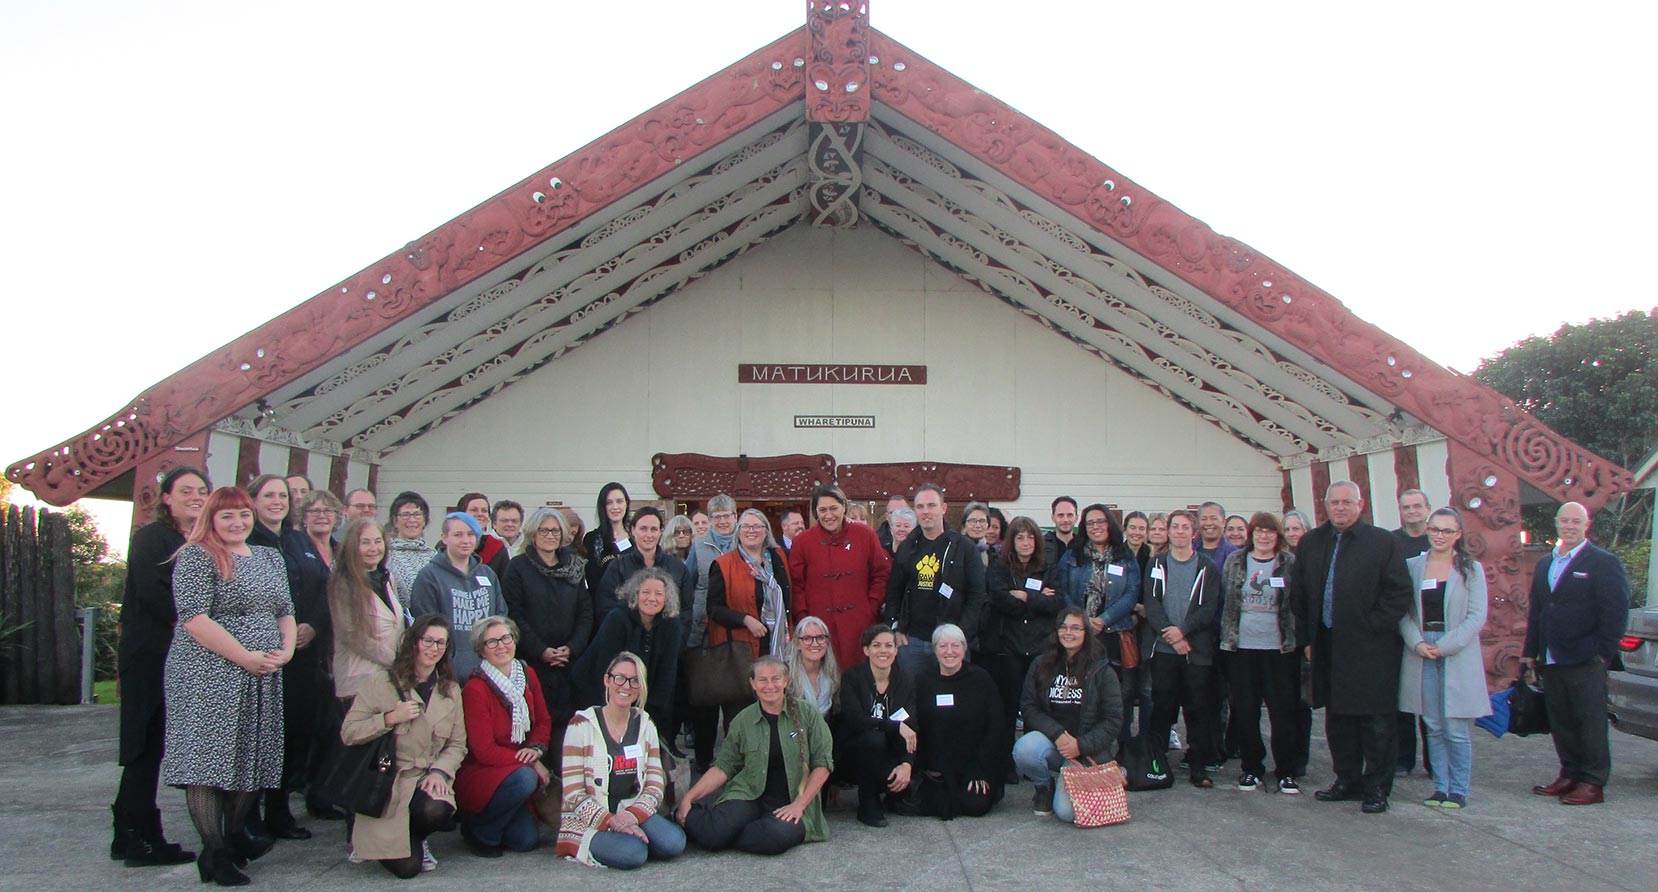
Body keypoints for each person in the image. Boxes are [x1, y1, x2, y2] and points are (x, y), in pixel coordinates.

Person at [161, 486, 295, 887]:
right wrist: (244, 656)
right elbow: (195, 619)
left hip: (261, 672)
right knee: (207, 763)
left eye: (243, 515)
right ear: (211, 520)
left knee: (251, 759)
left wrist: (285, 651)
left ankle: (235, 835)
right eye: (227, 516)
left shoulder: (270, 557)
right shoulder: (196, 556)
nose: (237, 523)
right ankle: (214, 852)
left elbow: (285, 610)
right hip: (208, 674)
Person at [1291, 480, 1412, 814]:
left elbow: (1398, 592)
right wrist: (1307, 639)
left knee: (1375, 722)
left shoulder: (1382, 542)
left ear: (1360, 504)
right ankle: (1347, 780)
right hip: (1327, 644)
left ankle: (1376, 788)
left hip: (1372, 648)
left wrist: (1373, 625)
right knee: (1338, 718)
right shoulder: (1312, 542)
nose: (1340, 508)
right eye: (1334, 502)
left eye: (1347, 502)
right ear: (1325, 505)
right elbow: (1298, 593)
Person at [111, 465, 210, 868]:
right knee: (142, 747)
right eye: (185, 490)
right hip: (150, 657)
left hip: (181, 657)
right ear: (167, 498)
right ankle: (136, 837)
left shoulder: (200, 541)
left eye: (202, 490)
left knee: (156, 748)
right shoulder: (154, 538)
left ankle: (134, 833)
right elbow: (160, 597)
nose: (195, 496)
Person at [340, 615, 466, 878]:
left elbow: (457, 745)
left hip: (423, 777)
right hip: (387, 782)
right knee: (408, 870)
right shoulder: (382, 682)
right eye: (428, 640)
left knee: (438, 809)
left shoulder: (451, 690)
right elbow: (349, 732)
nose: (434, 648)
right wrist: (388, 719)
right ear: (414, 642)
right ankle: (368, 836)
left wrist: (440, 772)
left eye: (441, 643)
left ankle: (416, 836)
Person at [1522, 501, 1630, 806]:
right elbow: (1539, 611)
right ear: (1556, 524)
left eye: (1575, 521)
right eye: (1564, 520)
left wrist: (1603, 653)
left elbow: (1616, 611)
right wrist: (1531, 651)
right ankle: (1569, 773)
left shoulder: (1602, 562)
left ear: (1587, 525)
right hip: (1551, 657)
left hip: (1585, 657)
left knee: (1589, 720)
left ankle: (1592, 782)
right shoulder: (1546, 563)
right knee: (1561, 720)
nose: (1569, 526)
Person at [676, 657, 834, 854]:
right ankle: (699, 823)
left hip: (793, 801)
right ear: (753, 684)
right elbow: (723, 766)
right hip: (749, 795)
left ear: (786, 681)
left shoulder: (808, 714)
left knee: (773, 837)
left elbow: (823, 764)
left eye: (776, 679)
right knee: (713, 835)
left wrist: (798, 805)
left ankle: (721, 831)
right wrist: (688, 798)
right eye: (762, 680)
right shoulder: (743, 720)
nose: (770, 686)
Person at [558, 651, 686, 869]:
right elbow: (572, 792)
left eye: (634, 681)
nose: (626, 686)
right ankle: (620, 841)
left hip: (630, 809)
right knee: (633, 854)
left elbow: (655, 783)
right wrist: (612, 821)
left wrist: (631, 816)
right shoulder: (580, 725)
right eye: (620, 678)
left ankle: (631, 836)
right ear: (607, 680)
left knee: (673, 843)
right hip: (590, 820)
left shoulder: (645, 724)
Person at [1399, 508, 1489, 809]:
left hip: (1456, 649)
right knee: (1433, 724)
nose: (1440, 535)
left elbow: (1477, 616)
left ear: (1458, 535)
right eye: (1435, 529)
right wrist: (1417, 642)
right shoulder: (1413, 566)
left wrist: (1447, 645)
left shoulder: (1470, 570)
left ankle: (1459, 789)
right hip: (1422, 647)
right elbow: (1403, 611)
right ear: (1427, 529)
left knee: (1456, 726)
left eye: (1447, 531)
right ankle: (1440, 786)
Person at [276, 488, 345, 829]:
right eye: (315, 510)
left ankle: (322, 794)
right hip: (301, 648)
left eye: (328, 510)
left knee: (330, 727)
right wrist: (304, 627)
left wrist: (320, 627)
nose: (321, 515)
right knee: (296, 728)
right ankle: (281, 805)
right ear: (303, 516)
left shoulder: (339, 550)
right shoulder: (292, 545)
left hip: (335, 647)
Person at [1013, 608, 1123, 820]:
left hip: (1086, 750)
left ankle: (1068, 781)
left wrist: (1080, 745)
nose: (1068, 633)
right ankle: (1044, 787)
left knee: (1066, 813)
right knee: (1024, 749)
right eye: (1063, 627)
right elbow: (1029, 707)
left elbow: (1113, 720)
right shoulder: (1041, 664)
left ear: (1086, 632)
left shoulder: (1102, 670)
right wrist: (1058, 734)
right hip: (1055, 743)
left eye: (1075, 628)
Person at [455, 616, 552, 855]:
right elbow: (483, 750)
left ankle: (497, 821)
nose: (501, 646)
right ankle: (479, 831)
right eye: (492, 642)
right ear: (481, 650)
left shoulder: (527, 674)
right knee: (525, 780)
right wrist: (531, 764)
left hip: (516, 767)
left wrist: (536, 750)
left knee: (525, 842)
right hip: (485, 771)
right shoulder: (475, 688)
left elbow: (543, 721)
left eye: (505, 638)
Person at [1219, 512, 1301, 793]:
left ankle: (1286, 771)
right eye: (1259, 531)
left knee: (1282, 713)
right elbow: (1226, 600)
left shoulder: (1289, 563)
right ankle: (1251, 768)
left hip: (1279, 649)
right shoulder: (1236, 561)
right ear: (1251, 534)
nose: (1264, 536)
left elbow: (1298, 602)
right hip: (1241, 647)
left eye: (1270, 532)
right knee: (1245, 711)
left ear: (1277, 536)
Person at [1050, 504, 1142, 749]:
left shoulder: (1124, 556)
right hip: (1079, 634)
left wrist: (1104, 619)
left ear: (1110, 524)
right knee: (1081, 691)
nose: (1096, 527)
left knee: (1118, 694)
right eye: (1090, 523)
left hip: (1113, 633)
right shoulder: (1073, 555)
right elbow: (1063, 589)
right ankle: (1082, 745)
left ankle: (1121, 747)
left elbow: (1131, 594)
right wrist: (1082, 619)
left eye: (1101, 522)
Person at [502, 507, 593, 752]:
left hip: (568, 664)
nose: (550, 535)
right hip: (532, 663)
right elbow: (514, 614)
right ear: (533, 533)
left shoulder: (574, 567)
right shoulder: (518, 568)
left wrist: (572, 648)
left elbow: (585, 614)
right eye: (544, 530)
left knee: (566, 733)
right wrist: (541, 650)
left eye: (555, 530)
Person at [1143, 509, 1222, 788]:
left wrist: (1184, 632)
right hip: (1164, 650)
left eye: (1184, 527)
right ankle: (1156, 763)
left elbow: (1209, 607)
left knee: (1197, 709)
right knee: (1162, 708)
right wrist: (1172, 636)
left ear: (1194, 532)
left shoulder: (1207, 567)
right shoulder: (1157, 563)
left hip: (1195, 651)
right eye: (1174, 527)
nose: (1179, 531)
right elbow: (1151, 604)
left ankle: (1198, 766)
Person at [984, 516, 1063, 774]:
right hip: (1009, 647)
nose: (1025, 542)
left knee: (1036, 707)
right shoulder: (999, 566)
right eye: (1020, 537)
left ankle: (1032, 761)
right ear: (1012, 541)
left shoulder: (1049, 567)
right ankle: (1005, 762)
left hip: (1040, 648)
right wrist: (1035, 599)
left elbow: (1054, 604)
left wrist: (1025, 595)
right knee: (1008, 706)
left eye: (1030, 537)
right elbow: (998, 599)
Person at [902, 624, 1005, 818]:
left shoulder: (981, 679)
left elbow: (995, 726)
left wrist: (980, 769)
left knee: (976, 805)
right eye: (943, 646)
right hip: (934, 768)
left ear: (965, 648)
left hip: (973, 764)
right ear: (934, 650)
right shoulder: (922, 680)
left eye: (955, 646)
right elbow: (915, 723)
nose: (949, 652)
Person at [884, 484, 987, 676]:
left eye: (931, 505)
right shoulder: (907, 547)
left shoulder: (964, 548)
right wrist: (895, 627)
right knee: (913, 699)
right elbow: (894, 591)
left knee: (952, 700)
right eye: (920, 507)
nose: (926, 512)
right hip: (912, 641)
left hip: (950, 642)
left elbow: (977, 595)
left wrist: (962, 634)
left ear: (943, 508)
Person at [788, 483, 892, 671]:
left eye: (834, 508)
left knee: (858, 676)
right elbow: (797, 584)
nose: (829, 515)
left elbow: (881, 573)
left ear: (844, 507)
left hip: (859, 622)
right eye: (822, 510)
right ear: (815, 513)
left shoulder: (865, 535)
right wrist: (804, 620)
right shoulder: (802, 542)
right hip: (818, 627)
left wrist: (871, 606)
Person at [575, 568, 686, 744]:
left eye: (658, 594)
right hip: (599, 689)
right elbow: (604, 668)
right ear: (635, 594)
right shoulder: (617, 619)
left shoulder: (672, 625)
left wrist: (650, 719)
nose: (651, 598)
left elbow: (667, 674)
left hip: (644, 694)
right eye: (645, 592)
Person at [708, 510, 794, 728]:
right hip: (742, 649)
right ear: (738, 532)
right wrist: (745, 619)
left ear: (766, 532)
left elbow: (787, 596)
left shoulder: (778, 558)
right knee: (741, 711)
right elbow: (713, 609)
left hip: (776, 643)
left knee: (775, 703)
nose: (752, 531)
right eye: (746, 526)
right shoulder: (723, 564)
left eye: (758, 526)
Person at [410, 513, 507, 681]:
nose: (466, 540)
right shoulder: (429, 576)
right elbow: (425, 626)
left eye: (471, 534)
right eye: (458, 535)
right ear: (444, 538)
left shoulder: (488, 574)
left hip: (488, 672)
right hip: (447, 674)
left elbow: (500, 616)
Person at [836, 625, 917, 827]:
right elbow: (856, 720)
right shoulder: (852, 678)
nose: (883, 651)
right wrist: (893, 726)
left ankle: (890, 791)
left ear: (896, 650)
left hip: (889, 752)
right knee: (874, 737)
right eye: (877, 645)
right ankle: (867, 803)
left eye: (889, 645)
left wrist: (907, 764)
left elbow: (911, 726)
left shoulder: (906, 680)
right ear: (866, 650)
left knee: (901, 784)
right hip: (853, 753)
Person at [684, 494, 740, 770]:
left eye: (727, 515)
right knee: (705, 699)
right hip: (705, 630)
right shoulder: (699, 547)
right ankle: (704, 758)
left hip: (738, 632)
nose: (722, 521)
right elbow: (689, 584)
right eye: (716, 517)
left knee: (735, 697)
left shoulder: (747, 543)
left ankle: (734, 759)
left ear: (735, 516)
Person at [329, 517, 406, 706]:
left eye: (377, 541)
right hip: (360, 681)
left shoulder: (387, 580)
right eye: (365, 542)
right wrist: (394, 660)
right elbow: (351, 634)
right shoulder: (343, 583)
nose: (373, 548)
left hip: (391, 679)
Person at [1392, 488, 1433, 775]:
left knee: (1432, 702)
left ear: (1427, 508)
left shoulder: (1441, 539)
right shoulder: (1392, 542)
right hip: (1401, 626)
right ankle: (1403, 759)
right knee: (1403, 700)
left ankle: (1435, 762)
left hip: (1434, 629)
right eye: (1407, 507)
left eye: (1417, 506)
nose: (1412, 511)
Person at [597, 507, 693, 624]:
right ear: (633, 530)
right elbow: (606, 606)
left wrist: (678, 637)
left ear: (660, 531)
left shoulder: (677, 567)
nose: (649, 535)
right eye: (643, 529)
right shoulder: (618, 566)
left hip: (667, 638)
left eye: (653, 529)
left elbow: (686, 609)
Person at [582, 482, 632, 594]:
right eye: (609, 502)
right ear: (603, 507)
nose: (615, 507)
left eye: (619, 501)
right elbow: (592, 579)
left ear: (626, 504)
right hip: (603, 606)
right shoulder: (592, 539)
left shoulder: (636, 538)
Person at [385, 491, 432, 610]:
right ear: (395, 521)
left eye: (417, 514)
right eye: (405, 515)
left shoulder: (434, 556)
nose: (412, 520)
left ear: (424, 520)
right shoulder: (385, 555)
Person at [787, 616, 839, 720]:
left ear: (827, 642)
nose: (815, 644)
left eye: (820, 638)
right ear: (797, 643)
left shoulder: (834, 676)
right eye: (807, 639)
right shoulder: (785, 675)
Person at [456, 492, 511, 579]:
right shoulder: (447, 546)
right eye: (474, 510)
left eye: (484, 511)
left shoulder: (497, 548)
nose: (480, 514)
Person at [1043, 496, 1079, 566]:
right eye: (1061, 515)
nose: (1065, 520)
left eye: (1070, 515)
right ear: (1053, 518)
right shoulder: (1041, 545)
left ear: (1076, 518)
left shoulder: (1084, 546)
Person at [1122, 511, 1151, 579]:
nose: (1137, 532)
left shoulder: (1151, 556)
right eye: (1132, 528)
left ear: (1146, 532)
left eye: (1141, 529)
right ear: (1125, 529)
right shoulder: (1114, 555)